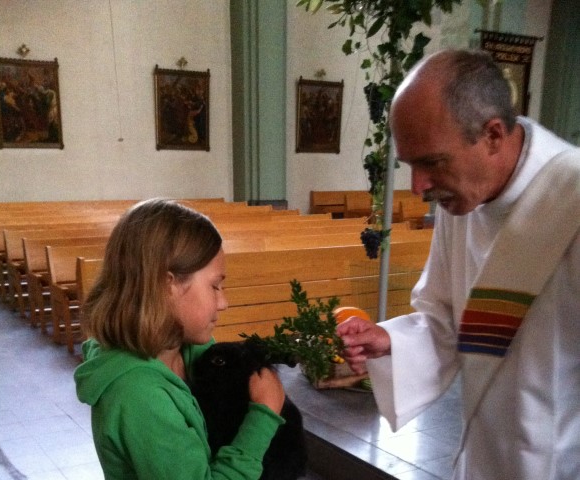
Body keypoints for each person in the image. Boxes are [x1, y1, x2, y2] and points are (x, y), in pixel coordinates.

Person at [337, 49, 580, 480]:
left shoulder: (571, 200)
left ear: (492, 135)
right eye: (410, 165)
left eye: (432, 162)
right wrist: (389, 341)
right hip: (482, 457)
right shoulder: (463, 202)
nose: (418, 188)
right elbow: (445, 318)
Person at [74, 198, 286, 480]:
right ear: (167, 284)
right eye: (215, 286)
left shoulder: (180, 350)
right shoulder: (139, 397)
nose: (223, 302)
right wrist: (264, 415)